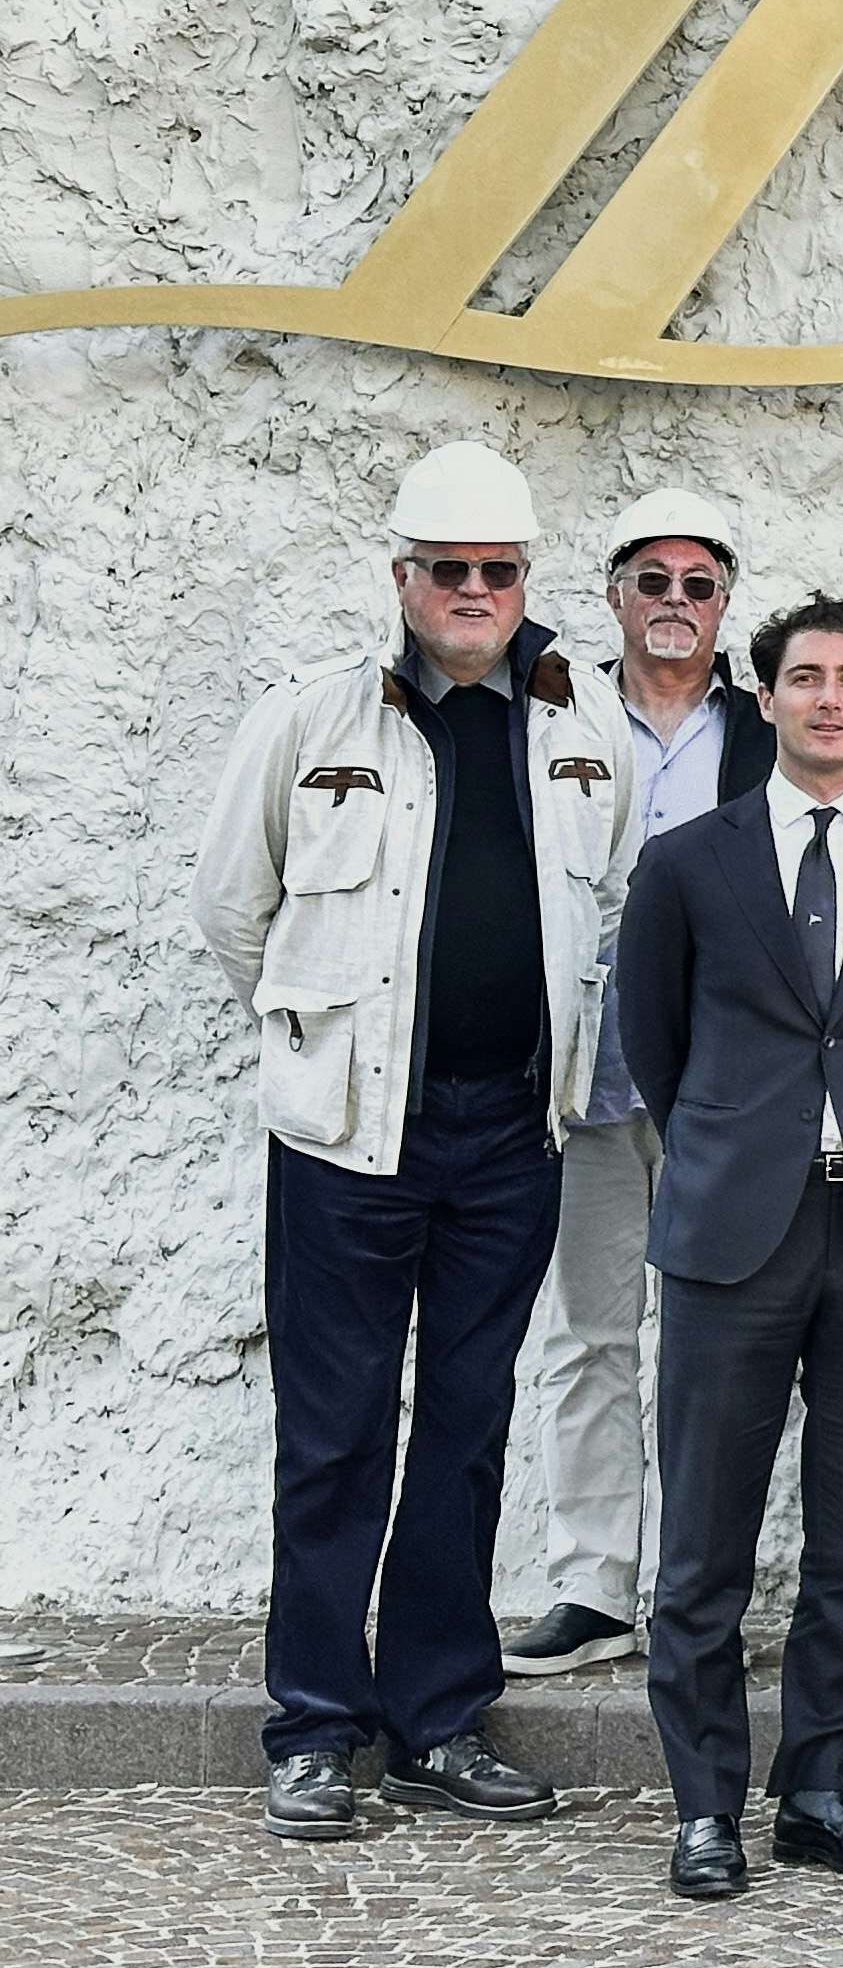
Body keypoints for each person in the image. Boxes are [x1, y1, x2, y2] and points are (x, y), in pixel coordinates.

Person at [194, 440, 641, 1842]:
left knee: (466, 1427)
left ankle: (438, 1718)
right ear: (402, 577)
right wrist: (329, 1043)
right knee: (332, 1436)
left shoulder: (583, 726)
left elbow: (609, 905)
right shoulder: (314, 718)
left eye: (498, 569)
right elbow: (234, 910)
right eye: (448, 568)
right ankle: (315, 1728)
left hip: (512, 1134)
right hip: (349, 1139)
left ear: (526, 579)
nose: (473, 590)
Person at [614, 593, 843, 1901]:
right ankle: (707, 1807)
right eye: (806, 677)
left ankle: (823, 1786)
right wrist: (735, 1143)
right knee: (706, 1543)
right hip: (734, 1234)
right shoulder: (689, 862)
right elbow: (654, 1039)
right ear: (763, 697)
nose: (830, 698)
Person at [506, 489, 770, 1683]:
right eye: (652, 581)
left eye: (697, 585)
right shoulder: (551, 717)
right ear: (614, 595)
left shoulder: (761, 730)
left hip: (723, 1081)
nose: (674, 602)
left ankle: (709, 1592)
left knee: (732, 1345)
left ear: (724, 605)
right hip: (588, 1073)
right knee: (589, 1338)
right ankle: (593, 1587)